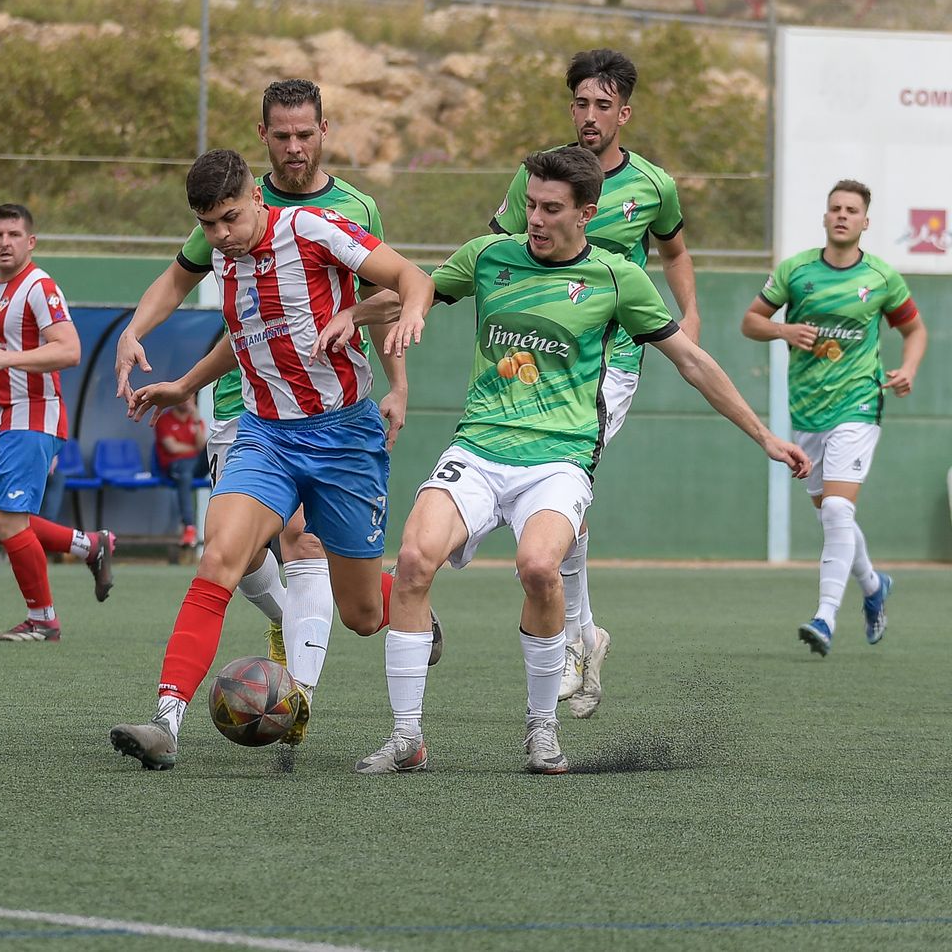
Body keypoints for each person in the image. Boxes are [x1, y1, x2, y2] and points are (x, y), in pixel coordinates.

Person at [330, 146, 807, 775]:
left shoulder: (616, 279)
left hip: (558, 460)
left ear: (586, 213)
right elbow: (407, 295)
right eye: (530, 204)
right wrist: (350, 314)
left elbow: (690, 361)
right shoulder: (488, 256)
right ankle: (406, 737)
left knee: (537, 568)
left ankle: (541, 729)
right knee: (414, 562)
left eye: (551, 209)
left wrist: (764, 435)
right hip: (476, 448)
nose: (535, 218)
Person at [109, 148, 430, 772]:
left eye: (230, 219)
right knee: (220, 557)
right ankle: (166, 721)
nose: (221, 236)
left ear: (257, 197)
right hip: (266, 437)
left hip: (344, 439)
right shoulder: (224, 260)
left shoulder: (312, 228)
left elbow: (410, 280)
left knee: (363, 614)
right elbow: (246, 335)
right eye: (208, 226)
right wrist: (180, 382)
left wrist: (393, 315)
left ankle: (411, 609)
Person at [487, 48, 697, 719]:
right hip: (542, 357)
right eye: (580, 102)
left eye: (602, 105)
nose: (589, 115)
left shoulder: (653, 186)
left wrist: (687, 316)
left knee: (564, 490)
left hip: (613, 363)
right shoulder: (543, 178)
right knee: (563, 505)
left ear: (624, 113)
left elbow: (674, 250)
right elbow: (496, 244)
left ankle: (579, 640)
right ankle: (584, 636)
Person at [741, 179, 926, 656]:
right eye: (835, 208)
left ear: (865, 222)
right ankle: (873, 586)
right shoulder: (796, 271)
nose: (842, 215)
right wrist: (782, 329)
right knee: (831, 513)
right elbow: (751, 322)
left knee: (840, 510)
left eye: (852, 210)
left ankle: (825, 616)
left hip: (859, 404)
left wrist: (907, 369)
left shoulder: (883, 278)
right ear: (825, 217)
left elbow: (915, 330)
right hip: (807, 409)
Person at [0, 204, 114, 640]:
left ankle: (43, 619)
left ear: (30, 241)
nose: (5, 242)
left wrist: (8, 358)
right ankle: (91, 545)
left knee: (11, 520)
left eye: (14, 234)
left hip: (32, 417)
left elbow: (69, 349)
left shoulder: (39, 285)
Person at [154, 397, 208, 547]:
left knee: (215, 448)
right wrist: (196, 450)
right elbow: (172, 448)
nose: (186, 400)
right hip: (175, 465)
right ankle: (189, 527)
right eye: (183, 396)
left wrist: (196, 422)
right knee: (185, 474)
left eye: (190, 397)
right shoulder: (164, 419)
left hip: (196, 466)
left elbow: (202, 446)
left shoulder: (196, 421)